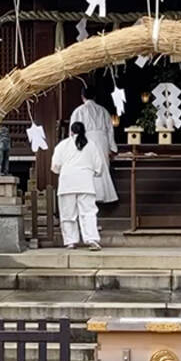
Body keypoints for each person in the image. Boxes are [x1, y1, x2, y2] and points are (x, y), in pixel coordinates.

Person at [51, 121, 104, 250]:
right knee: (88, 212)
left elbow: (55, 167)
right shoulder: (91, 145)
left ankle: (70, 241)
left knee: (68, 214)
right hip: (85, 182)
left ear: (71, 132)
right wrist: (92, 172)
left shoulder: (62, 145)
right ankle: (91, 239)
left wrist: (62, 171)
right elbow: (99, 167)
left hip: (67, 182)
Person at [68, 85, 118, 203]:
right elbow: (110, 130)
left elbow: (73, 131)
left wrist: (73, 146)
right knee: (102, 167)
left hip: (86, 140)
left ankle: (90, 195)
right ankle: (104, 195)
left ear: (82, 97)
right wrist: (112, 147)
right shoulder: (103, 110)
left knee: (88, 168)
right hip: (102, 140)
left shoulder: (78, 111)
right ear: (95, 97)